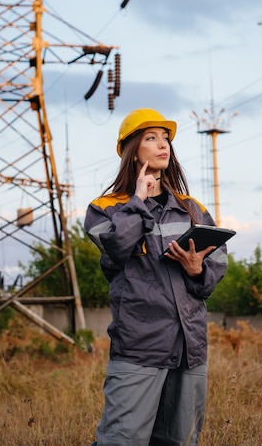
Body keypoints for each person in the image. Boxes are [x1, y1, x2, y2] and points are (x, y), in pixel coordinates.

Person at [84, 108, 228, 446]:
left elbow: (214, 268)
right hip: (140, 347)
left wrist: (197, 270)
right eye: (151, 138)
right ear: (133, 150)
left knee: (180, 441)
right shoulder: (105, 208)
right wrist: (139, 200)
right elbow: (118, 248)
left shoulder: (192, 208)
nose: (163, 144)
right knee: (121, 440)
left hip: (189, 348)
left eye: (165, 138)